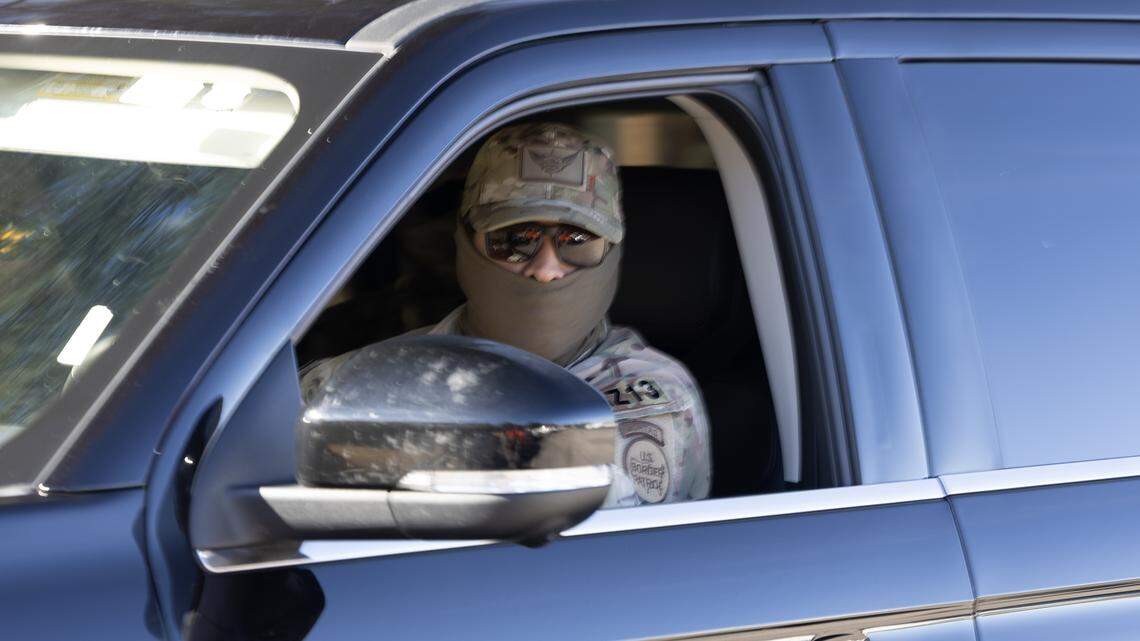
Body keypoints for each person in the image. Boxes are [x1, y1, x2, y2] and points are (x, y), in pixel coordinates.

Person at [305, 123, 711, 507]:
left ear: (611, 250)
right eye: (516, 240)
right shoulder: (387, 368)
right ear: (465, 244)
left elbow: (562, 483)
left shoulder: (650, 394)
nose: (547, 269)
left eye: (576, 241)